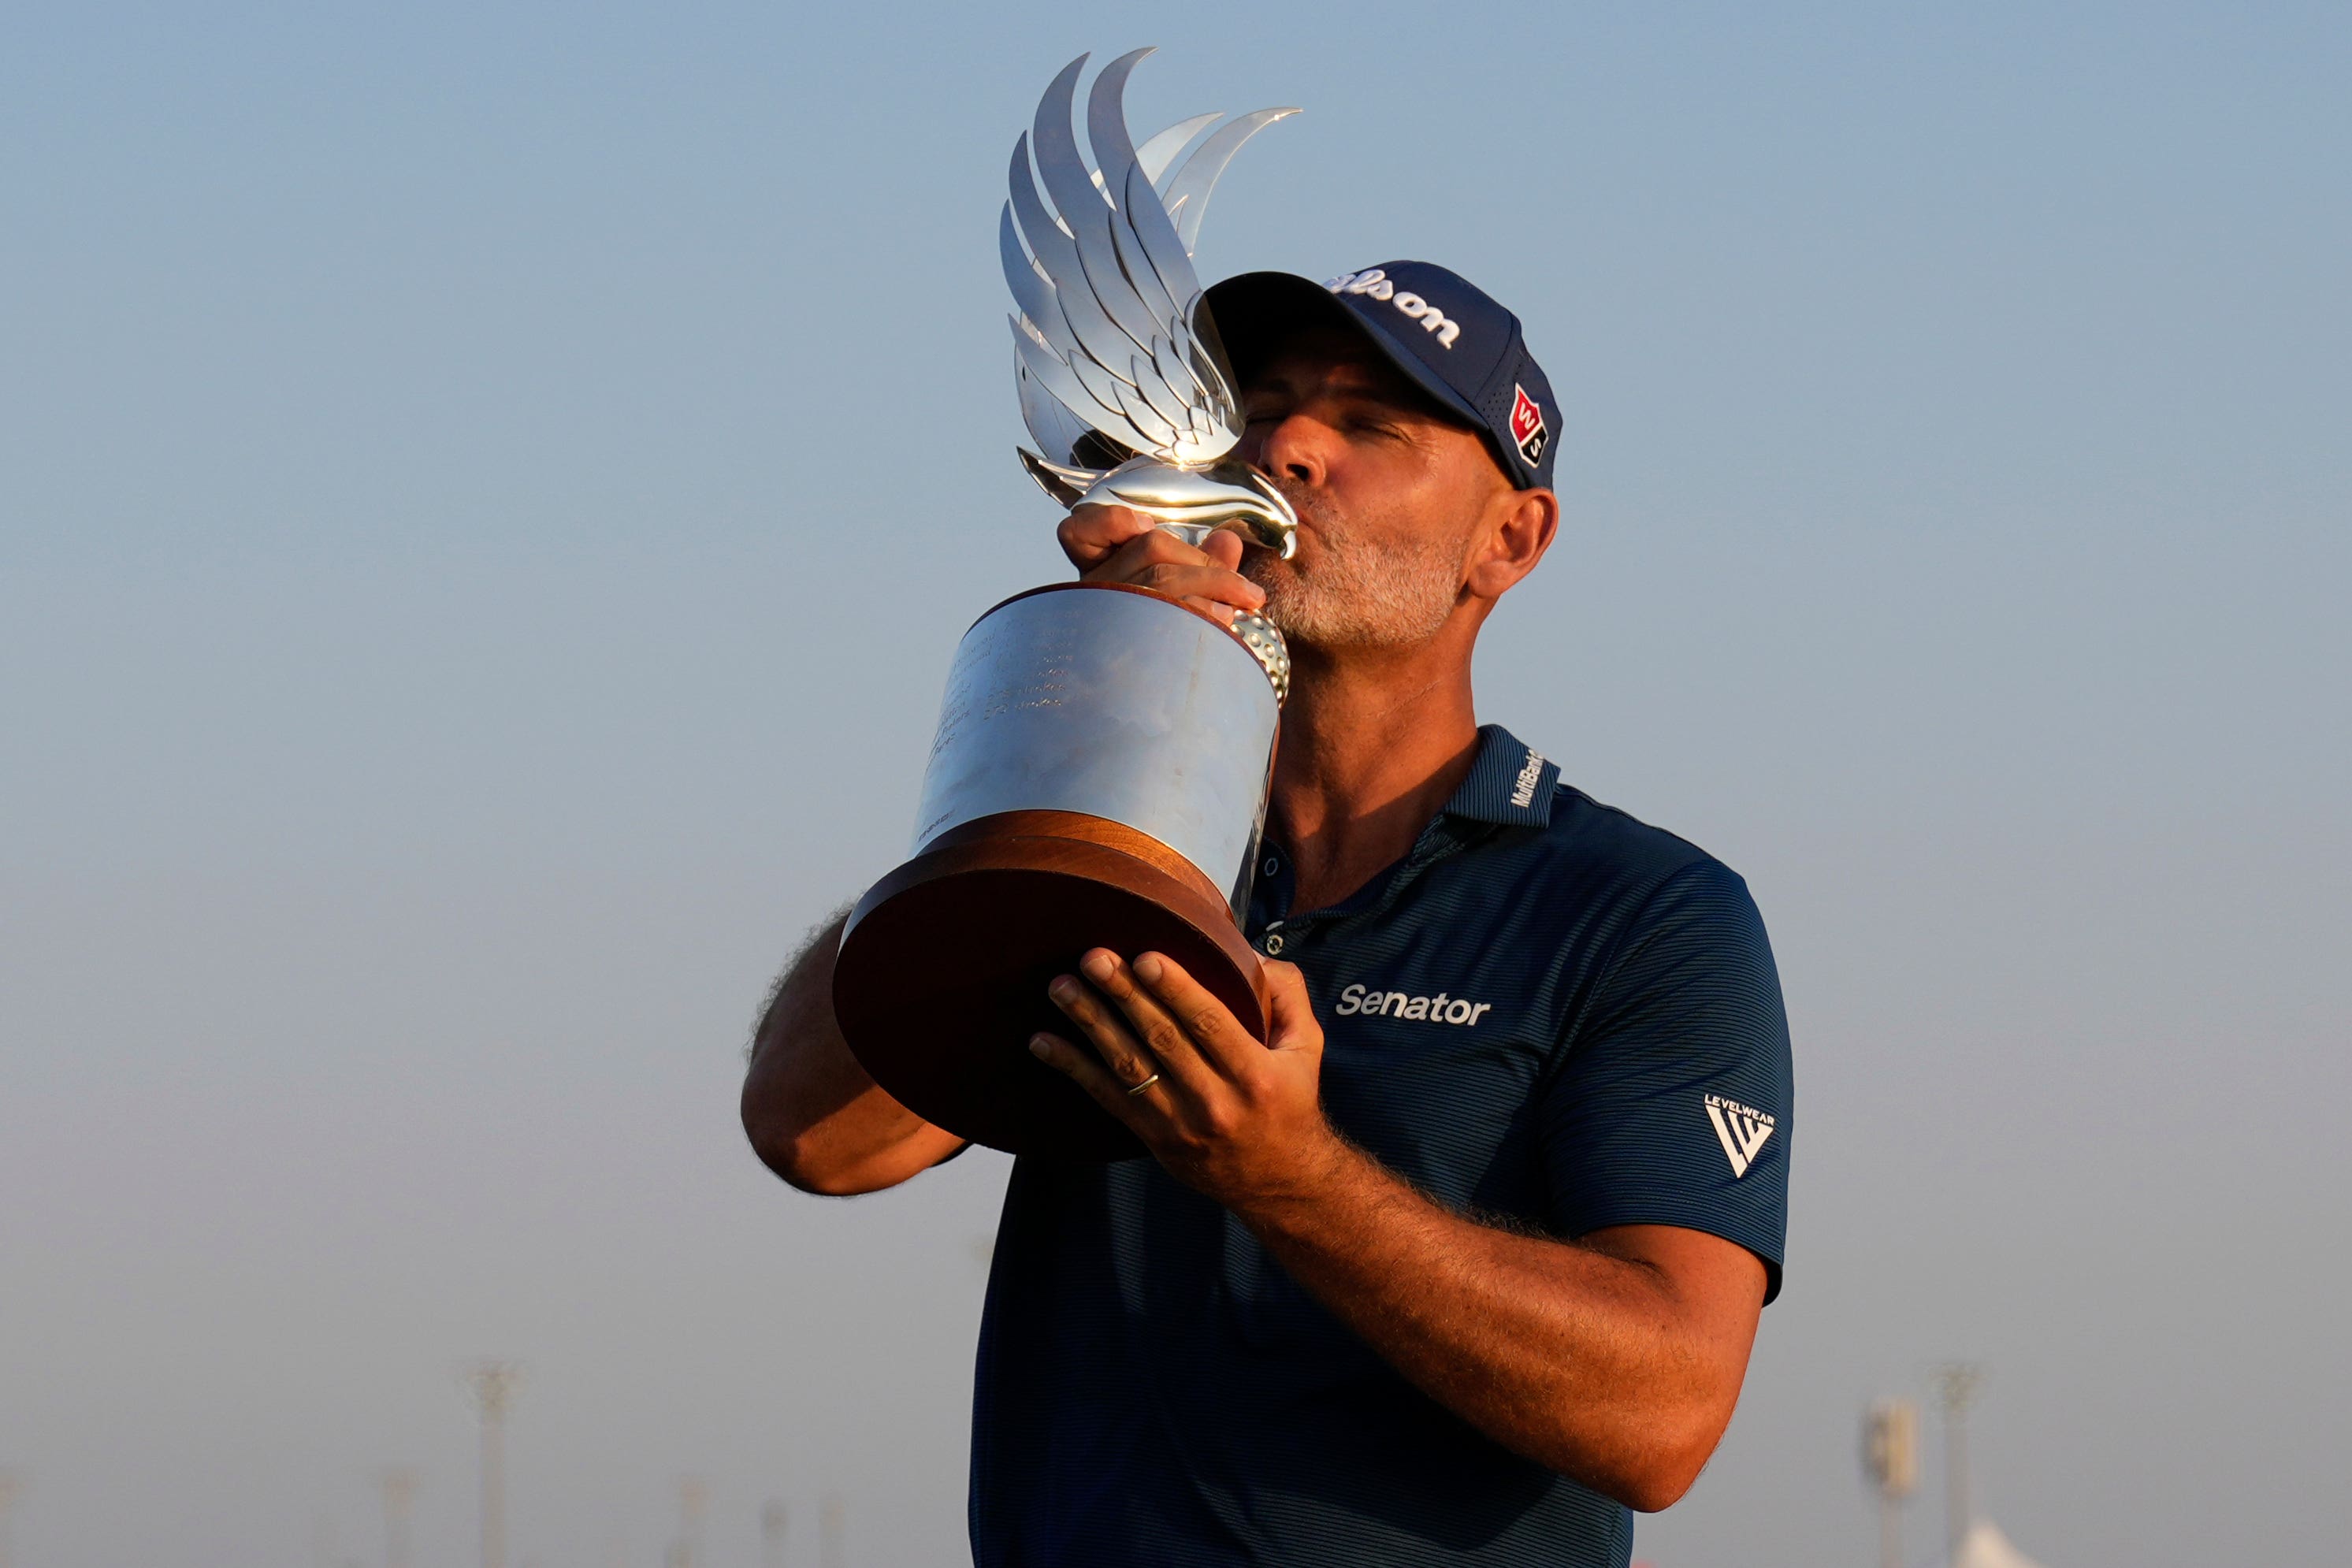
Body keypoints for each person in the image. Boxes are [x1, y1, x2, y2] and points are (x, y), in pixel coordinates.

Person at [741, 261, 1793, 1568]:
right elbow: (816, 1131)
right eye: (1264, 408)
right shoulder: (1120, 852)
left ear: (1508, 540)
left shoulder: (1637, 911)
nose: (1287, 445)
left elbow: (1663, 1414)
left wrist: (1288, 1177)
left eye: (1370, 426)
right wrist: (1088, 720)